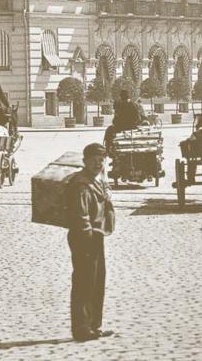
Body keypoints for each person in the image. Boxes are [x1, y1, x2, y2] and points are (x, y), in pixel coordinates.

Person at [65, 142, 114, 341]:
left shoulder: (97, 180)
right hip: (84, 237)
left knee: (97, 281)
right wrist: (87, 237)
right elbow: (80, 215)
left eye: (101, 160)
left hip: (96, 235)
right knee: (84, 282)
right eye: (93, 160)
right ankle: (82, 328)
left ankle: (94, 324)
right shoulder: (81, 184)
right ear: (85, 161)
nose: (98, 163)